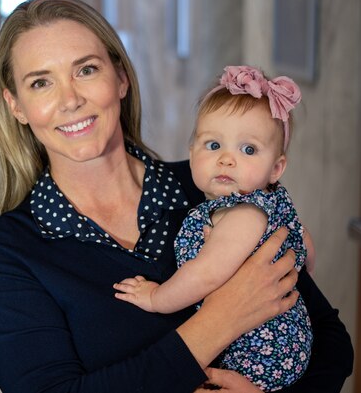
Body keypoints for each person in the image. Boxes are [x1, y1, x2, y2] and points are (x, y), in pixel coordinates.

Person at [0, 0, 353, 393]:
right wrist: (220, 321)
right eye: (41, 82)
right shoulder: (14, 248)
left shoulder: (214, 189)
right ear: (16, 105)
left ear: (120, 78)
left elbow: (332, 344)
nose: (70, 100)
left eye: (86, 70)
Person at [114, 66, 311, 391]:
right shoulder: (262, 206)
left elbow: (205, 274)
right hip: (279, 342)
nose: (226, 159)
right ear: (191, 154)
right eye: (213, 145)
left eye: (248, 149)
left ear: (276, 168)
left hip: (261, 352)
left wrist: (156, 298)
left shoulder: (244, 213)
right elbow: (306, 248)